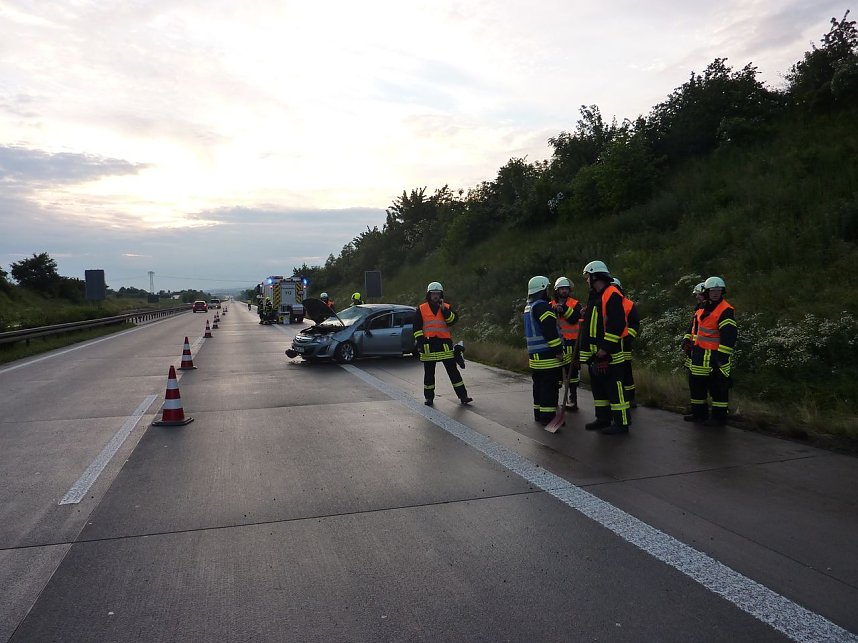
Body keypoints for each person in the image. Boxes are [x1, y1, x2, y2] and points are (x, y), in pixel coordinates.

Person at [579, 261, 631, 434]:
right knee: (599, 389)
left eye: (588, 277)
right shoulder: (596, 295)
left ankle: (621, 424)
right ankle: (603, 419)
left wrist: (605, 349)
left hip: (610, 354)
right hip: (596, 354)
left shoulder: (612, 294)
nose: (587, 281)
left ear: (596, 276)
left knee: (615, 390)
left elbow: (616, 325)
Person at [684, 276, 737, 425]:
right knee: (696, 386)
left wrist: (722, 357)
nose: (715, 293)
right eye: (712, 290)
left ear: (722, 291)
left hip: (715, 357)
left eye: (718, 290)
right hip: (699, 355)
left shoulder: (725, 310)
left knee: (718, 389)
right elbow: (694, 327)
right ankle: (699, 414)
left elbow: (729, 335)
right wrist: (686, 340)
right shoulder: (702, 307)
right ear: (707, 292)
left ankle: (718, 419)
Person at [412, 282, 472, 407]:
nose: (435, 296)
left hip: (444, 345)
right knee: (429, 375)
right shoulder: (421, 309)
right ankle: (429, 398)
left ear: (441, 294)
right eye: (433, 294)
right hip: (428, 345)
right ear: (429, 295)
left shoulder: (446, 307)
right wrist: (421, 343)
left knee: (453, 372)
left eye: (437, 293)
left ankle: (463, 396)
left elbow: (452, 321)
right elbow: (416, 328)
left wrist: (444, 310)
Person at [524, 276, 564, 425]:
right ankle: (548, 417)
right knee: (550, 387)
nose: (548, 291)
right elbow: (549, 330)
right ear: (542, 289)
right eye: (547, 288)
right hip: (547, 355)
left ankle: (539, 414)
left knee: (538, 386)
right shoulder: (541, 306)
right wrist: (558, 350)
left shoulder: (529, 306)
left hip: (535, 357)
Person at [549, 276, 582, 411]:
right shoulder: (550, 304)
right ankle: (554, 400)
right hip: (557, 344)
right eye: (561, 289)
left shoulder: (575, 303)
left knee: (572, 374)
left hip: (572, 344)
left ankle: (572, 399)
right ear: (557, 290)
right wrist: (554, 310)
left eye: (566, 289)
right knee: (556, 374)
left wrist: (564, 309)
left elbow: (575, 319)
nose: (564, 291)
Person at [611, 277, 640, 408]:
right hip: (611, 344)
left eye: (615, 288)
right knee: (613, 373)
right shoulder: (605, 303)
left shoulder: (628, 304)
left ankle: (630, 398)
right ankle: (616, 397)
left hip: (625, 344)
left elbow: (634, 323)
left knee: (626, 372)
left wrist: (629, 337)